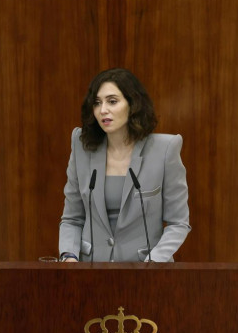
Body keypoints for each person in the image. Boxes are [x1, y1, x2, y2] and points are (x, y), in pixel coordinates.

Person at [59, 68, 191, 263]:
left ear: (133, 104)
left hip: (145, 272)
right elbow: (72, 218)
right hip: (89, 271)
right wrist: (69, 256)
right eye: (97, 103)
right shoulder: (82, 146)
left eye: (112, 101)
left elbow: (178, 223)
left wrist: (153, 262)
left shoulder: (164, 150)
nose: (103, 110)